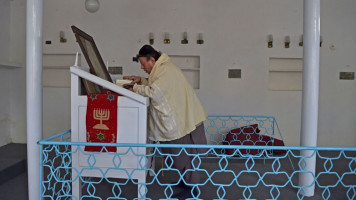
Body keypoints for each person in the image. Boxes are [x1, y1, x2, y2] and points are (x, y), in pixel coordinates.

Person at [124, 45, 207, 198]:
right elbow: (156, 84)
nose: (142, 67)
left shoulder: (166, 70)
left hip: (184, 121)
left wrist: (135, 88)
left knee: (187, 155)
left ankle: (192, 190)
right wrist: (141, 80)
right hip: (183, 118)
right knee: (181, 155)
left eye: (143, 64)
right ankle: (186, 182)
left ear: (152, 59)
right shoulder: (162, 69)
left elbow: (156, 92)